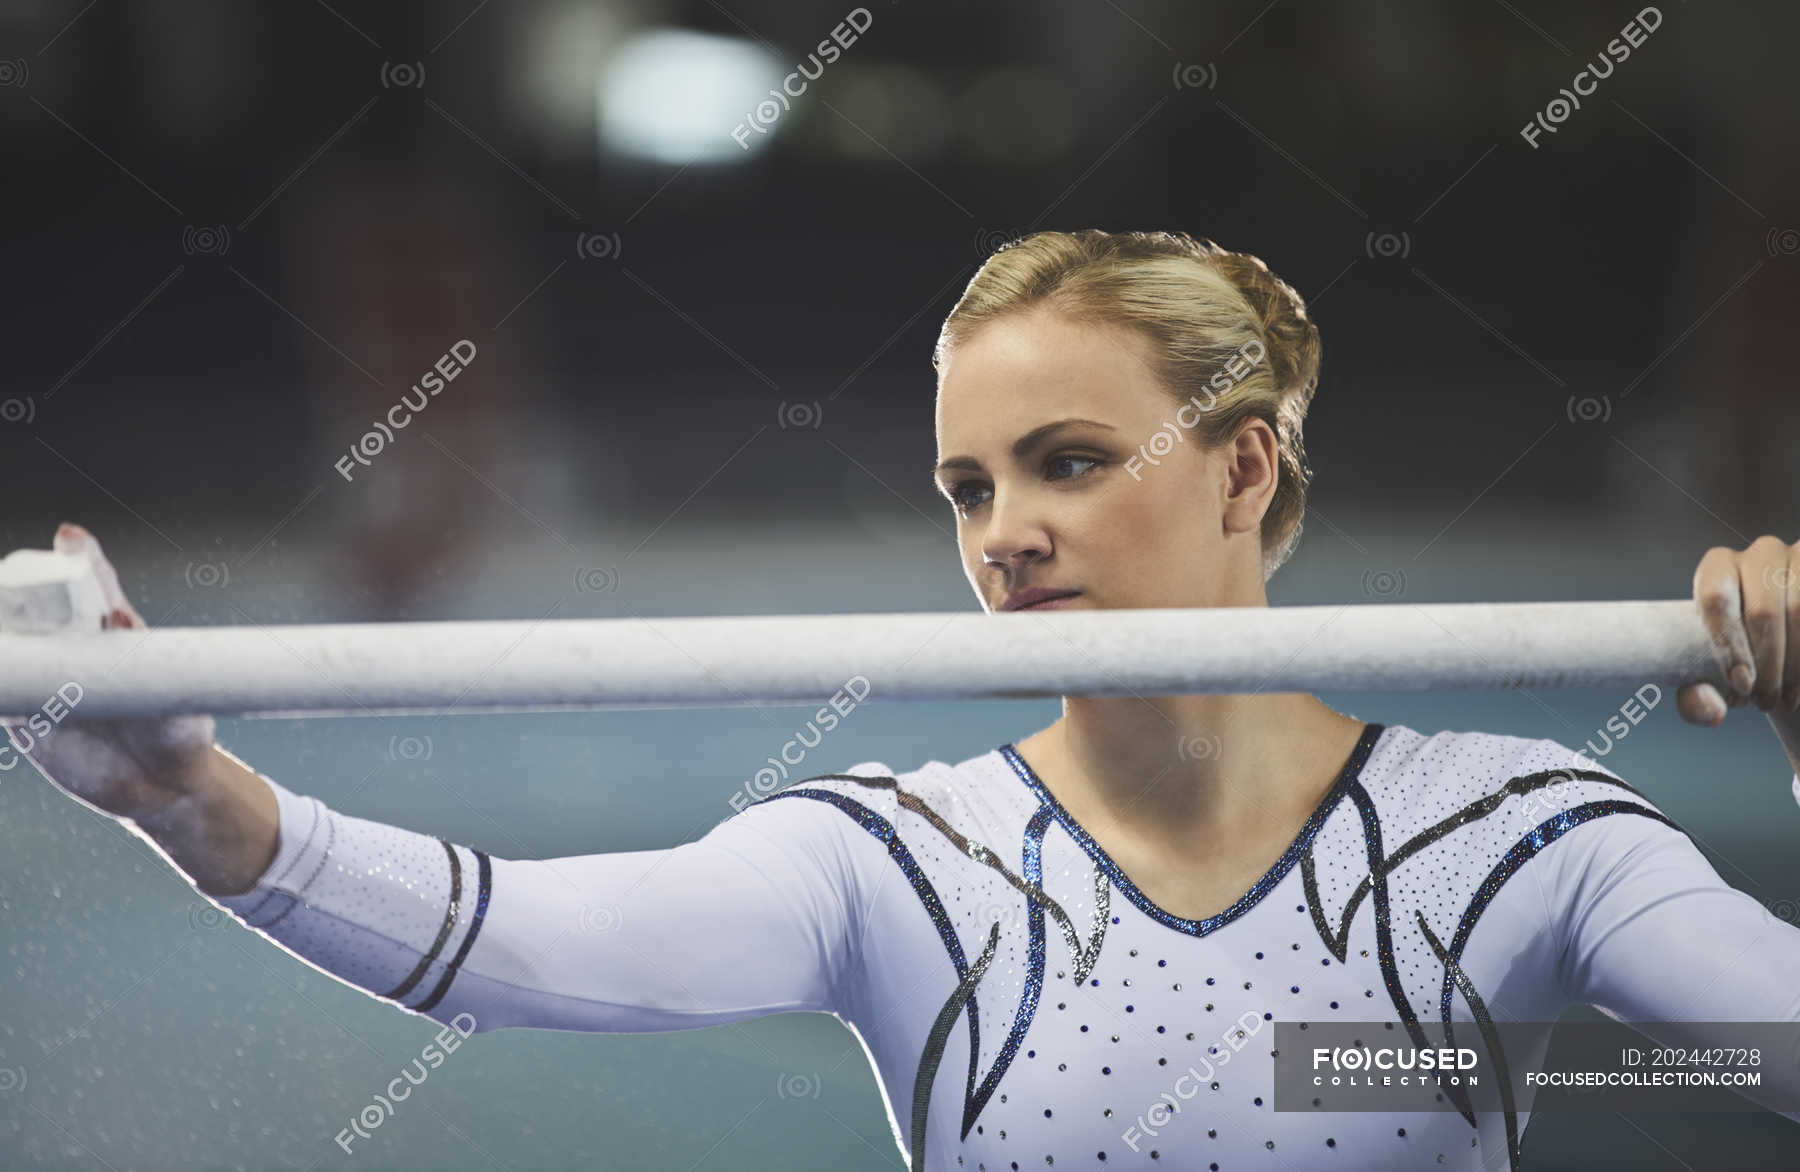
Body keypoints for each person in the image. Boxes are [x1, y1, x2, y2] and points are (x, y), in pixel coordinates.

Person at [10, 230, 1800, 1171]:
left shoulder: (1527, 838)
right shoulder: (897, 860)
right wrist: (193, 800)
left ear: (1246, 471)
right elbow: (518, 943)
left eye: (1070, 463)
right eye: (967, 487)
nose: (1004, 537)